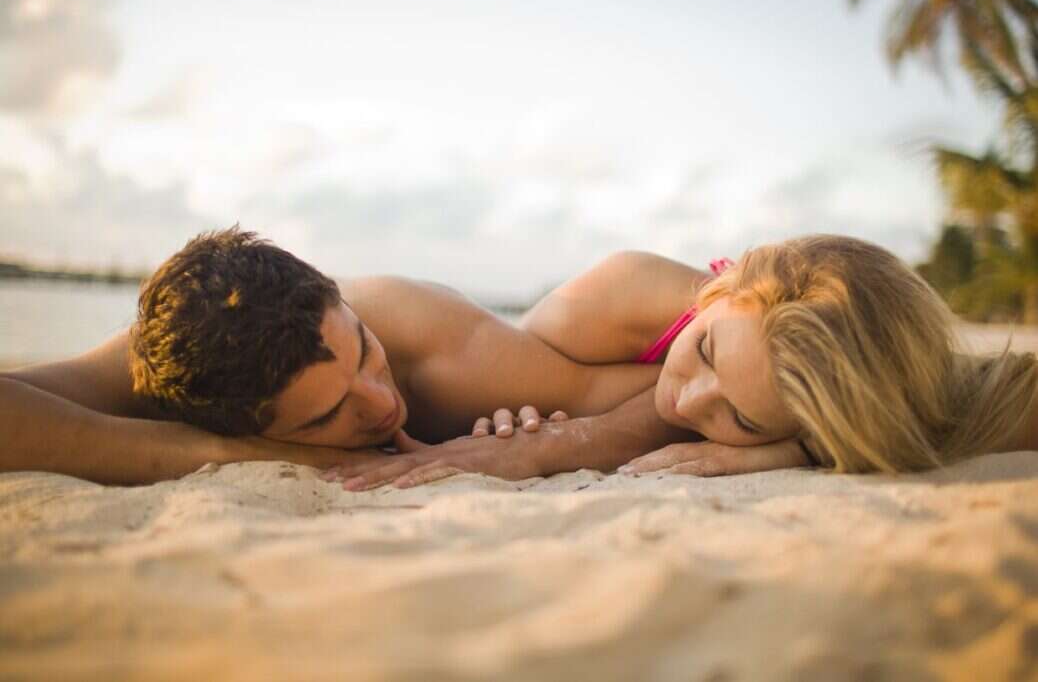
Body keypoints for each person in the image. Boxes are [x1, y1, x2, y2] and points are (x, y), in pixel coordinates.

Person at [327, 234, 1038, 490]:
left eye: (740, 418)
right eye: (704, 352)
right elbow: (586, 422)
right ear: (721, 287)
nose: (689, 403)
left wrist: (795, 449)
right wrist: (554, 446)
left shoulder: (783, 379)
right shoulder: (620, 292)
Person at [0, 227, 677, 485]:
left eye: (364, 353)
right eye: (327, 416)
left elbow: (680, 391)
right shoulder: (176, 358)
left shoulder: (428, 344)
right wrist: (246, 457)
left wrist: (546, 449)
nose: (383, 404)